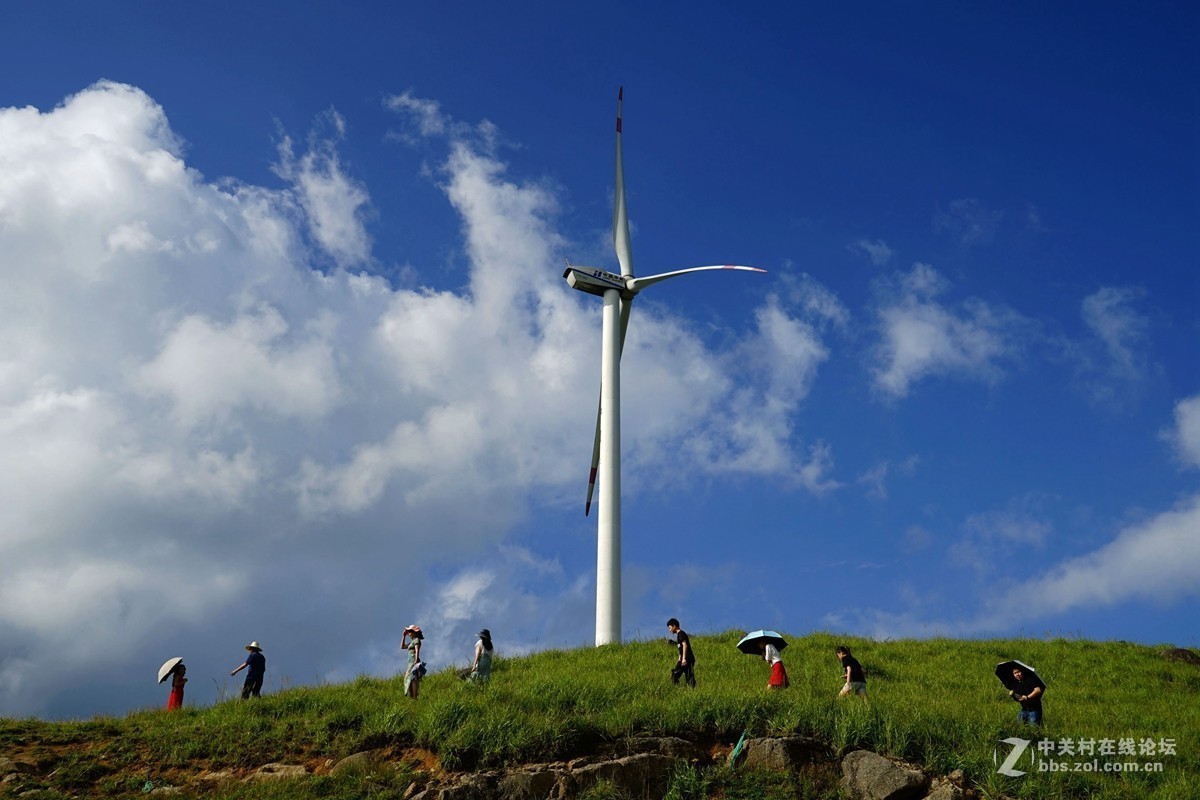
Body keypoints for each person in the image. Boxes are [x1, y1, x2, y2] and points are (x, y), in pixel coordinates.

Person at [666, 618, 696, 687]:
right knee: (675, 674)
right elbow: (680, 649)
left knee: (689, 677)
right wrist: (679, 658)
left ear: (674, 626)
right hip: (683, 659)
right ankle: (677, 689)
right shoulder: (678, 636)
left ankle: (692, 691)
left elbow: (685, 645)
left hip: (688, 659)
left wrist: (684, 659)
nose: (669, 630)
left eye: (670, 628)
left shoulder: (681, 633)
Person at [402, 625, 424, 699]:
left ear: (415, 632)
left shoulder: (416, 640)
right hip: (410, 661)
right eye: (409, 631)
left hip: (414, 660)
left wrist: (416, 660)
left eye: (411, 631)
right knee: (408, 678)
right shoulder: (411, 642)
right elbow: (402, 647)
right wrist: (404, 636)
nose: (409, 633)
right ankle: (412, 696)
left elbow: (417, 650)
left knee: (413, 677)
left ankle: (414, 696)